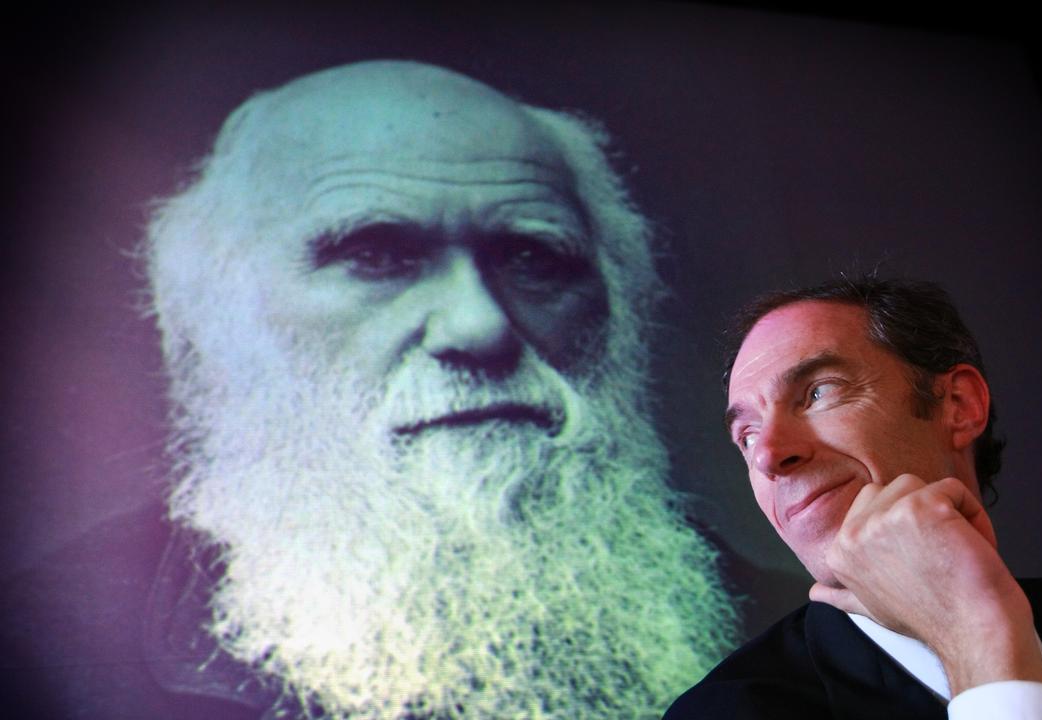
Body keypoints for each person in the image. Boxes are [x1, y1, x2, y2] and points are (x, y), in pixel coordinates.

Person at [1, 60, 735, 719]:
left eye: (532, 256)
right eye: (377, 255)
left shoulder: (780, 618)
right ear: (217, 313)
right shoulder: (43, 653)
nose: (479, 328)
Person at [666, 276, 1042, 719]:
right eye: (745, 435)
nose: (768, 455)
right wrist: (974, 638)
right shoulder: (726, 712)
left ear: (959, 406)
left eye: (818, 392)